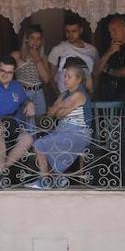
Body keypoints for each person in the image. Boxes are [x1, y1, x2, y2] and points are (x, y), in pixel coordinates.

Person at [30, 58, 92, 189]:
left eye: (69, 77)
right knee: (40, 144)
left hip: (78, 133)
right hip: (63, 131)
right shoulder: (64, 94)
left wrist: (59, 108)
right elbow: (52, 114)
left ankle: (45, 181)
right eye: (65, 76)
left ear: (78, 79)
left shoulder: (79, 94)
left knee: (40, 145)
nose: (65, 79)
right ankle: (56, 178)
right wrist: (61, 108)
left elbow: (59, 114)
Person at [47, 14, 99, 93]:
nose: (70, 35)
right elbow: (51, 77)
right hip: (64, 96)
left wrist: (92, 93)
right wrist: (58, 96)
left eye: (74, 31)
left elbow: (96, 74)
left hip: (85, 96)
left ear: (81, 30)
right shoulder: (57, 50)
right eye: (67, 31)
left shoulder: (92, 50)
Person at [93, 15, 125, 105]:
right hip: (107, 95)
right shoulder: (108, 47)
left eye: (114, 30)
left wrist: (108, 70)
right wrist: (110, 52)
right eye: (110, 32)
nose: (112, 34)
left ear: (124, 29)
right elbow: (96, 72)